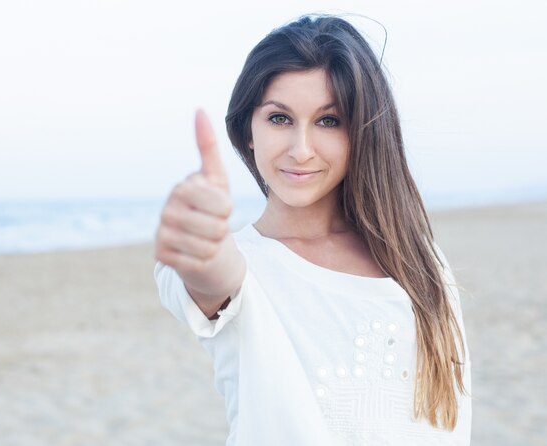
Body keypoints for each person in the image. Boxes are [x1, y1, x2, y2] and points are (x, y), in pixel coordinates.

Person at [153, 14, 471, 446]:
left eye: (328, 121)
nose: (301, 150)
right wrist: (203, 250)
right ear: (249, 129)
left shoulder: (419, 259)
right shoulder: (242, 267)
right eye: (279, 119)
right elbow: (214, 279)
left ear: (362, 133)